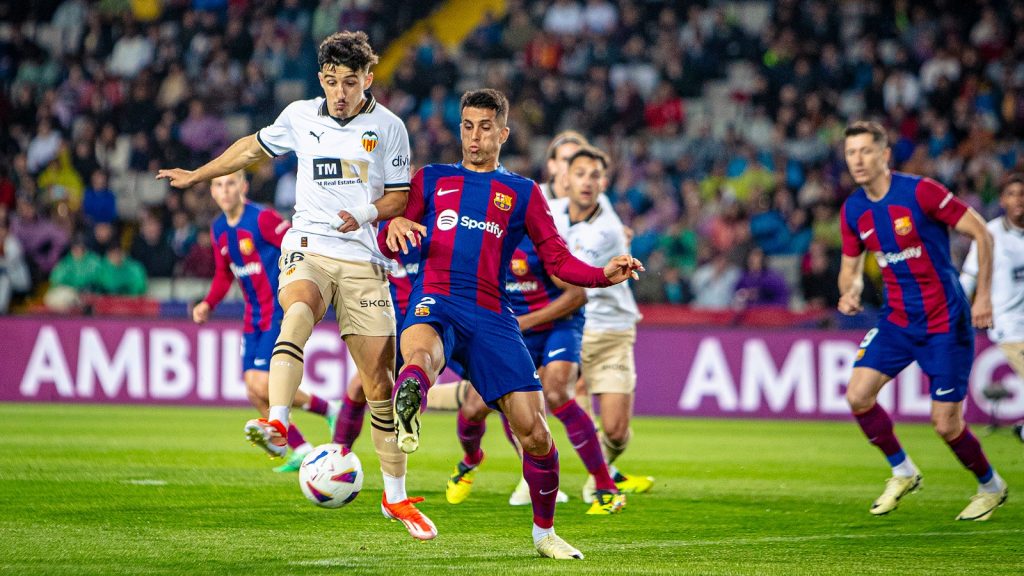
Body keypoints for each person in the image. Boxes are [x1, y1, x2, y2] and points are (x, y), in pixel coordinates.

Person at [157, 31, 434, 540]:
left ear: (368, 79)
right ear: (321, 79)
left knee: (380, 385)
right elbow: (249, 149)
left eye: (350, 82)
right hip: (308, 243)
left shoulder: (389, 128)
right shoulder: (299, 116)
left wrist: (367, 213)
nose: (340, 92)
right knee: (300, 306)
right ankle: (279, 423)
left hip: (364, 259)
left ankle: (396, 500)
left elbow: (400, 197)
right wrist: (198, 174)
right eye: (331, 81)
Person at [382, 89, 643, 559]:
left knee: (537, 434)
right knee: (421, 353)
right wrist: (392, 230)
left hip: (493, 316)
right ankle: (412, 398)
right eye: (467, 125)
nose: (474, 136)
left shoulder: (523, 193)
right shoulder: (430, 179)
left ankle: (545, 535)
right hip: (436, 297)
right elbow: (390, 234)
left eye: (485, 127)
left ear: (502, 133)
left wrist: (604, 275)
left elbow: (559, 260)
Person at [837, 120, 1007, 520]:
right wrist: (850, 289)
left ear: (884, 154)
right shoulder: (854, 210)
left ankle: (990, 485)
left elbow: (982, 233)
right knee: (858, 395)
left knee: (946, 425)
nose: (857, 160)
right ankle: (902, 470)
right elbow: (850, 267)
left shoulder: (920, 191)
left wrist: (982, 296)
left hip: (945, 321)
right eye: (850, 153)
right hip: (897, 320)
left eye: (865, 151)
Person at [443, 232, 625, 516]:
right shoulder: (477, 245)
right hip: (512, 329)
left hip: (558, 326)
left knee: (556, 392)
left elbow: (577, 296)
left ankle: (606, 487)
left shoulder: (536, 243)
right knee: (474, 408)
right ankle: (471, 459)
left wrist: (527, 320)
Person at [192, 170, 336, 473]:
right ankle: (301, 448)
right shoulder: (219, 229)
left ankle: (329, 409)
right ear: (214, 192)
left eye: (231, 183)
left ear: (243, 187)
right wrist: (208, 303)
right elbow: (223, 274)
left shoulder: (262, 219)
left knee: (261, 382)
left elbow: (296, 243)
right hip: (253, 315)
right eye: (219, 185)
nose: (225, 190)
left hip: (278, 310)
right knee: (253, 390)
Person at [549, 146, 655, 504]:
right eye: (580, 174)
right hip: (574, 326)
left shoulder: (607, 230)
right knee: (551, 395)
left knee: (617, 430)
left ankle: (605, 468)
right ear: (566, 178)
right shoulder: (552, 213)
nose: (587, 182)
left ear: (603, 183)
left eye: (594, 176)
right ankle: (596, 481)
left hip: (611, 331)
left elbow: (570, 276)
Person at [959, 174, 1024, 445]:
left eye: (1022, 194)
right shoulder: (990, 234)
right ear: (1002, 200)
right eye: (1012, 194)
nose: (1018, 200)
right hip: (1010, 326)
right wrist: (956, 313)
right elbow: (968, 277)